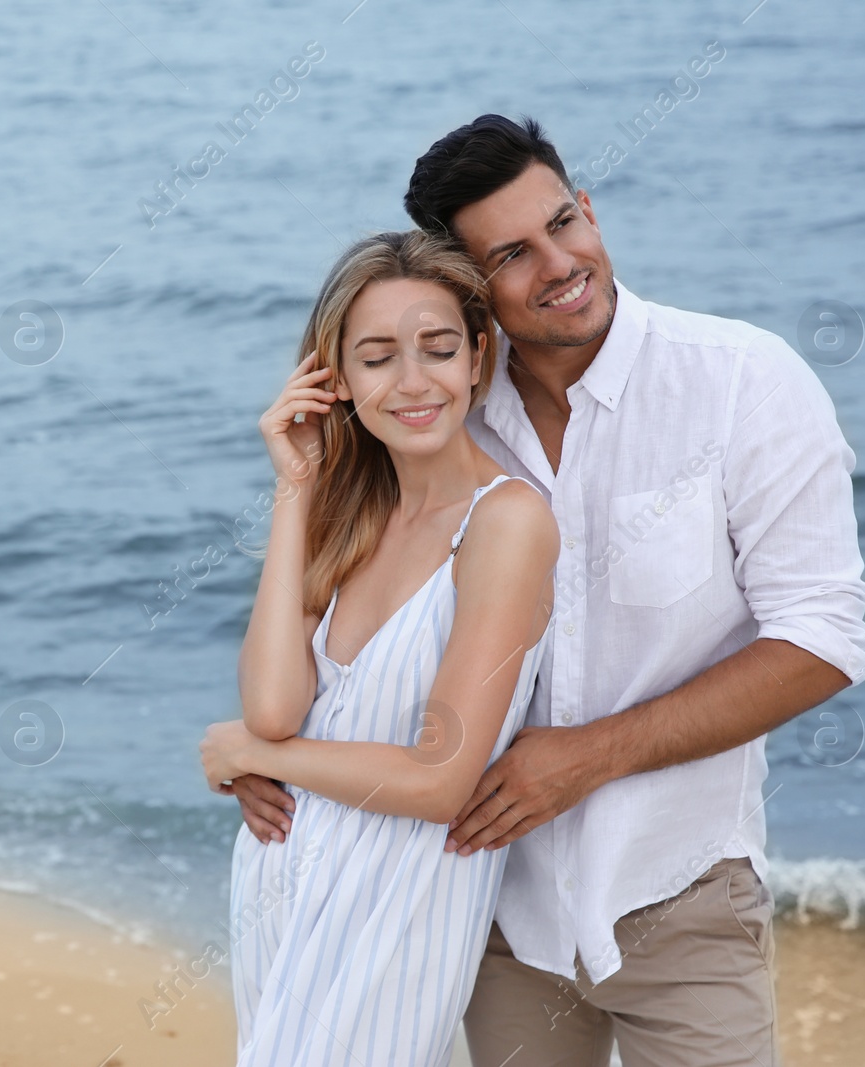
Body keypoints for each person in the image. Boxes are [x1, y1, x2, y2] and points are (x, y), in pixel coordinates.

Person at [229, 115, 865, 1067]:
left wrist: (592, 755)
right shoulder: (442, 405)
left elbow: (824, 636)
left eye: (566, 223)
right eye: (514, 255)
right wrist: (278, 757)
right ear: (473, 289)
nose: (561, 263)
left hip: (677, 889)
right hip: (486, 903)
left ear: (590, 206)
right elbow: (357, 614)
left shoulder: (744, 383)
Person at [197, 229, 559, 1067]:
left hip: (396, 902)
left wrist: (248, 751)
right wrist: (296, 488)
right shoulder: (348, 516)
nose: (412, 382)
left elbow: (440, 780)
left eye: (437, 349)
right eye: (376, 358)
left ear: (478, 356)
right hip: (282, 883)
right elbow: (275, 706)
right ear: (337, 379)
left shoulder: (505, 523)